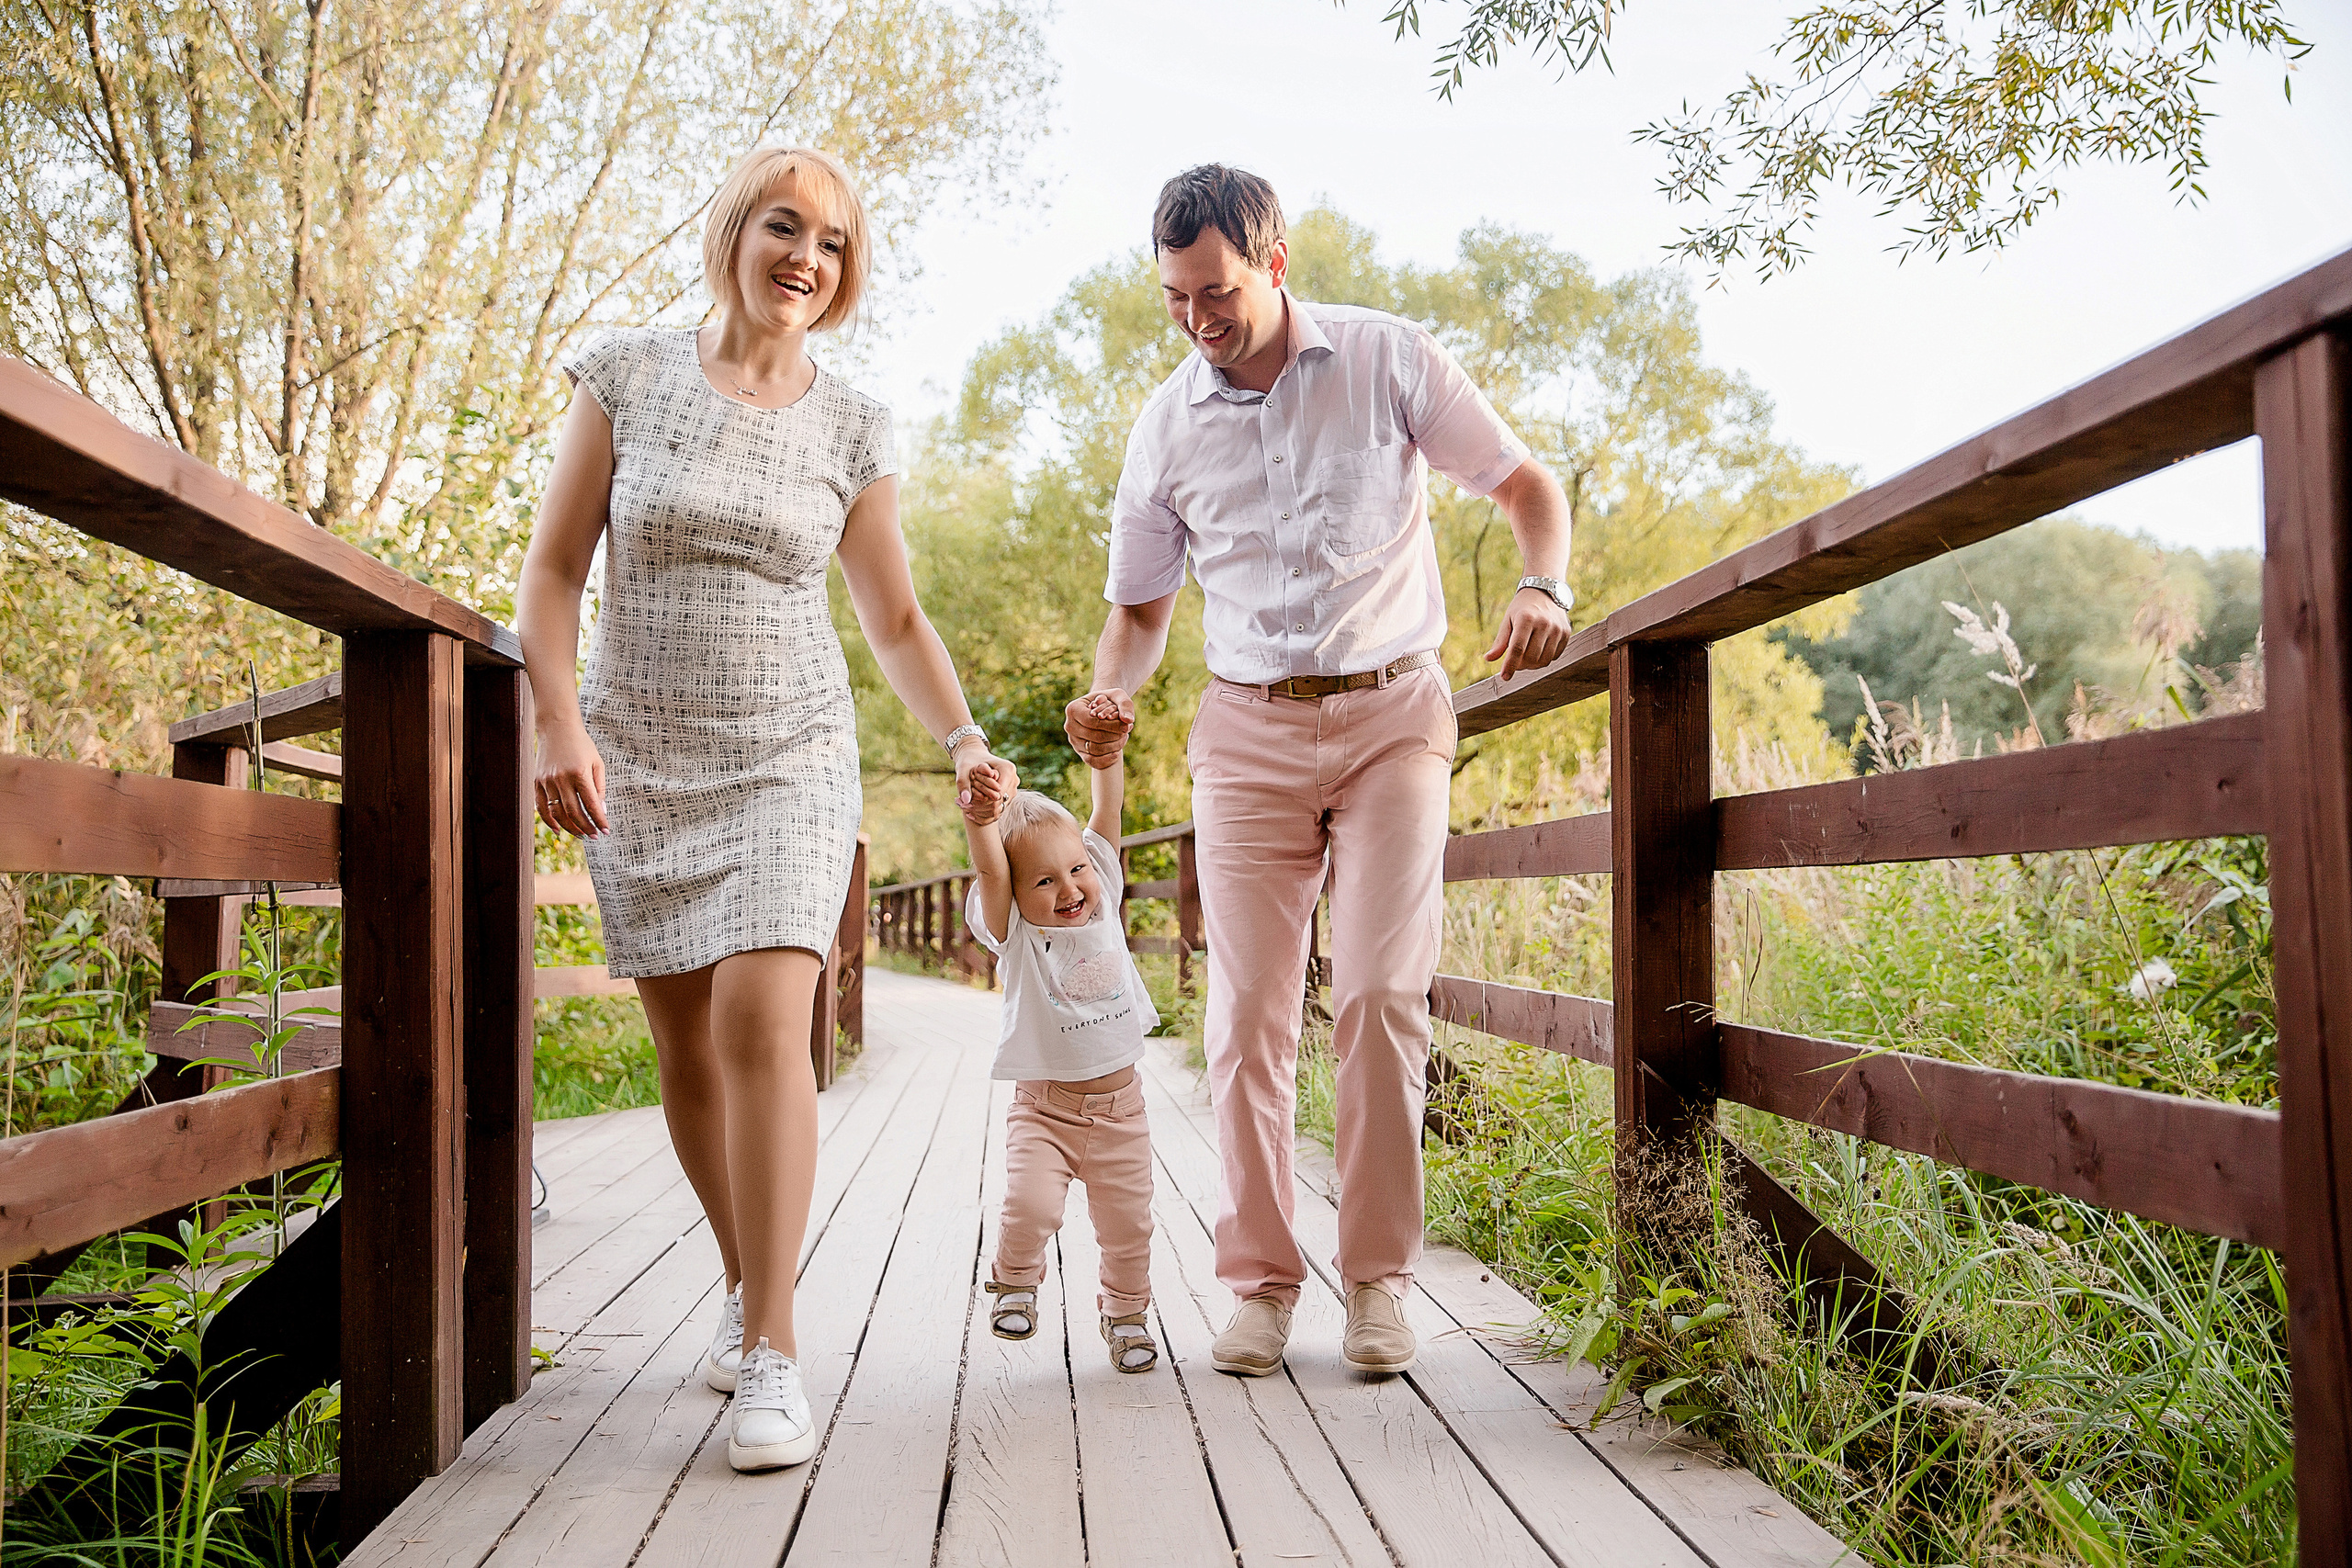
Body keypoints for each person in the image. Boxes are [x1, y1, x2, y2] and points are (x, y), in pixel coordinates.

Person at [517, 145, 1014, 1472]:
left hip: (793, 749)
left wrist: (963, 735)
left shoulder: (852, 422)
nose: (809, 256)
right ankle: (749, 1287)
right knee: (683, 1048)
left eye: (835, 242)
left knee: (759, 1017)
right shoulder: (624, 374)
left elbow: (893, 614)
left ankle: (778, 1353)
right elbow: (555, 572)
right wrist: (557, 724)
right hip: (641, 756)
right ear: (735, 231)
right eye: (786, 227)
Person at [1065, 164, 1573, 1378]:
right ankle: (1259, 1279)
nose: (1200, 320)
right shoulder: (1167, 421)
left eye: (1219, 291)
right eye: (1177, 300)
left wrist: (1543, 579)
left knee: (1381, 997)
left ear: (1275, 259)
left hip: (1395, 711)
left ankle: (1381, 1278)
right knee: (1241, 1018)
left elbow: (1524, 484)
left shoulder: (1388, 360)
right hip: (1244, 733)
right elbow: (1140, 611)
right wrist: (1113, 691)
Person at [961, 701, 1161, 1374]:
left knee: (1129, 1226)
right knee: (1029, 1203)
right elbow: (991, 870)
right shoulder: (1018, 932)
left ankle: (1126, 1315)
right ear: (1018, 897)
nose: (1070, 887)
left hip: (1122, 1110)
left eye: (1075, 869)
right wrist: (982, 820)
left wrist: (1106, 761)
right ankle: (1016, 1279)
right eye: (1044, 880)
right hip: (1045, 1107)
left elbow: (1106, 818)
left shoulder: (1099, 882)